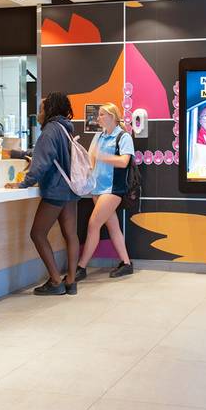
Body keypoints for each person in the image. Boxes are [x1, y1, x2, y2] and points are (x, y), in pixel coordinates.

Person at [6, 92, 80, 295]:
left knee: (37, 233)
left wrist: (22, 184)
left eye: (40, 109)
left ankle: (55, 281)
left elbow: (40, 164)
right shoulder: (65, 128)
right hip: (70, 188)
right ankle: (71, 281)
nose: (38, 113)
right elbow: (46, 153)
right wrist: (18, 154)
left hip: (55, 190)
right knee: (71, 235)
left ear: (49, 110)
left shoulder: (49, 131)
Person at [76, 103, 135, 281]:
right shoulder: (100, 136)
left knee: (93, 225)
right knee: (113, 227)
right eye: (99, 114)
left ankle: (81, 267)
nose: (98, 118)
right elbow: (91, 161)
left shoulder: (123, 136)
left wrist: (104, 157)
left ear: (112, 116)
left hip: (113, 189)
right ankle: (126, 263)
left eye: (102, 114)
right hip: (98, 188)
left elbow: (124, 162)